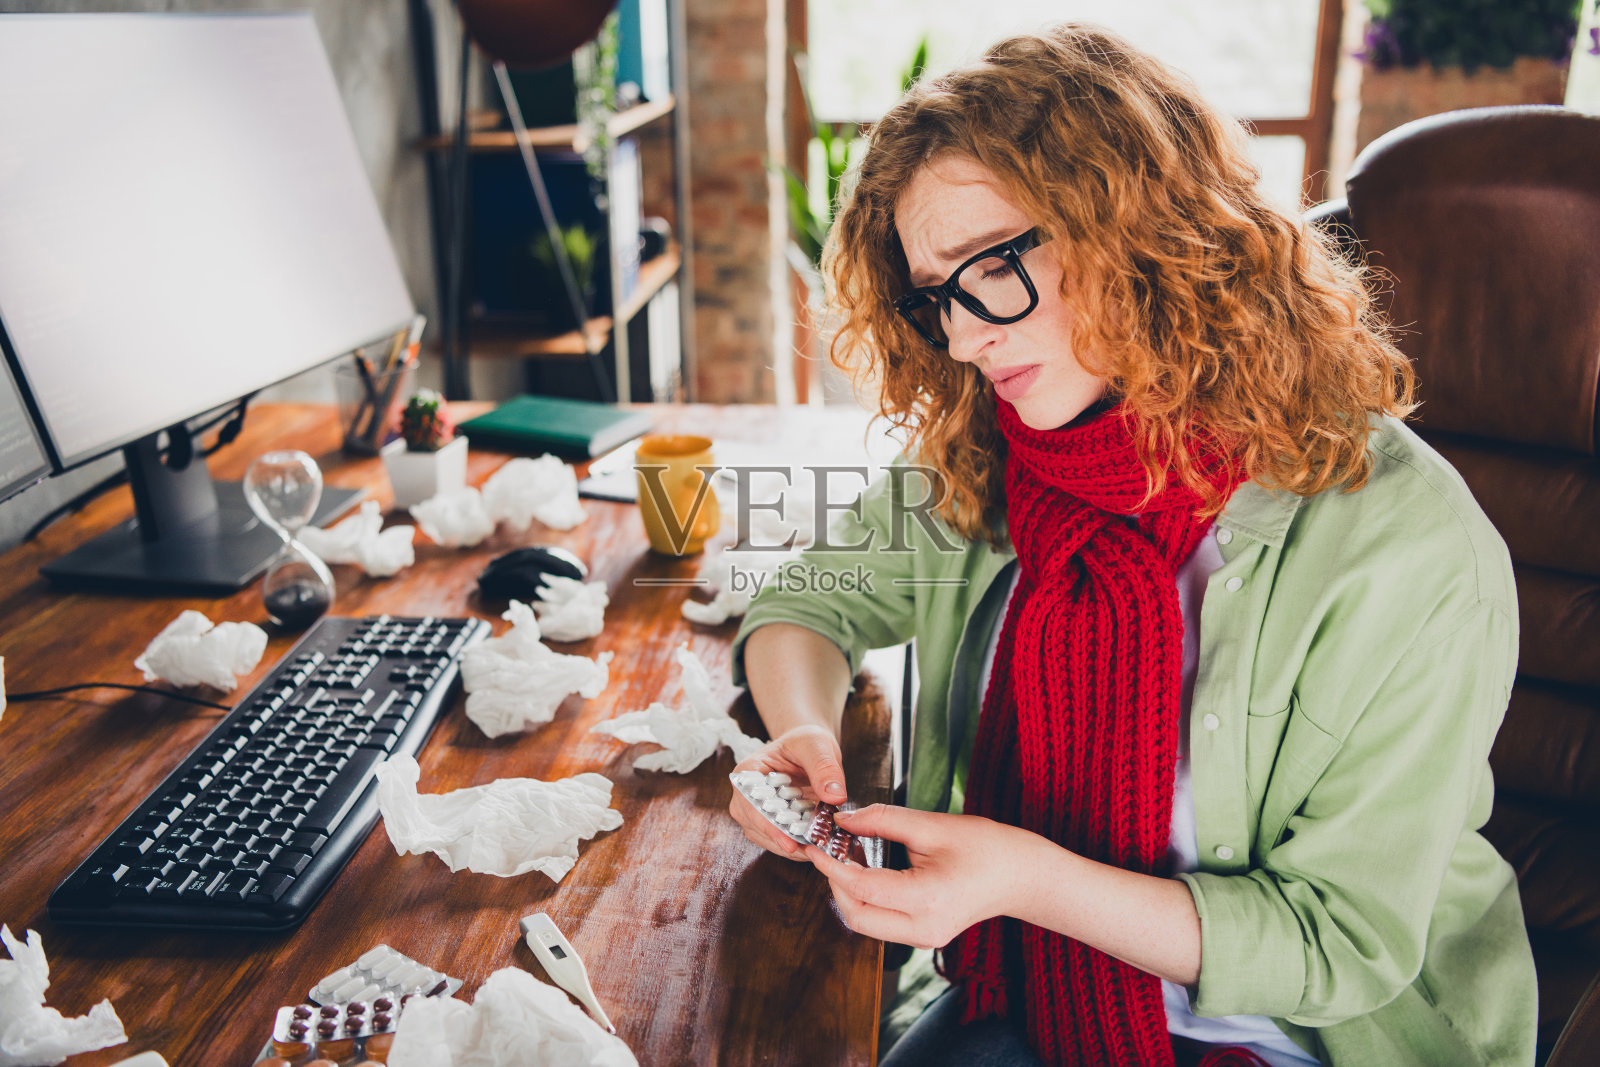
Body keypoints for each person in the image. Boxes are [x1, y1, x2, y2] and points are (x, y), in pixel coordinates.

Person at [725, 21, 1537, 1067]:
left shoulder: (1410, 548)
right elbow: (810, 600)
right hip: (1017, 978)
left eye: (990, 269)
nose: (966, 337)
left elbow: (1338, 945)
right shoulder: (989, 453)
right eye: (936, 298)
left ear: (1141, 231)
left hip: (1304, 1037)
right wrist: (804, 732)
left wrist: (1026, 880)